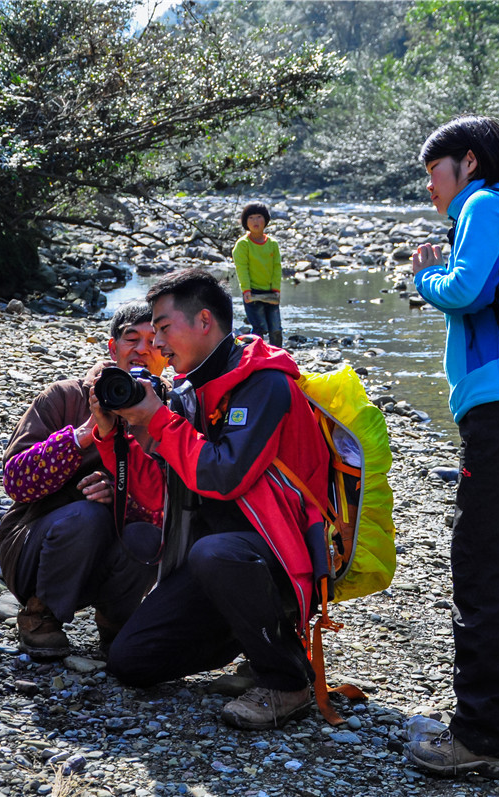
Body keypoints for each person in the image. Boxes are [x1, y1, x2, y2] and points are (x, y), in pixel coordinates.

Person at [402, 116, 499, 779]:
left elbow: (468, 289)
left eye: (433, 172)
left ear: (467, 162)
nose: (430, 187)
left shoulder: (485, 205)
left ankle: (480, 736)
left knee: (483, 564)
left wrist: (425, 278)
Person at [104, 268, 330, 731]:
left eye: (163, 328)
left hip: (282, 553)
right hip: (221, 559)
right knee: (130, 661)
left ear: (204, 321)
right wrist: (117, 432)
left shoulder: (264, 383)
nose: (157, 344)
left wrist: (159, 420)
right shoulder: (192, 389)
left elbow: (224, 476)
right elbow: (159, 488)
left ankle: (287, 681)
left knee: (216, 552)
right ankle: (252, 636)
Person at [0, 300, 168, 660]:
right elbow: (15, 482)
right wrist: (83, 435)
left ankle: (115, 618)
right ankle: (40, 614)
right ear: (112, 348)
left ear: (166, 353)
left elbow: (174, 505)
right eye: (131, 339)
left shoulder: (169, 413)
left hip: (113, 554)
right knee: (87, 515)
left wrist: (121, 496)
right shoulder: (64, 397)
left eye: (153, 341)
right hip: (35, 549)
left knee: (150, 535)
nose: (142, 349)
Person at [232, 202, 284, 347]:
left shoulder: (272, 244)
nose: (255, 221)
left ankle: (277, 354)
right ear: (245, 222)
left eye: (259, 217)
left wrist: (276, 289)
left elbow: (277, 267)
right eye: (251, 218)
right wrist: (246, 290)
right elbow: (242, 268)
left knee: (276, 329)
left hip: (270, 292)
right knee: (259, 329)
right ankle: (256, 355)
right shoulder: (243, 244)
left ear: (265, 220)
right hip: (252, 293)